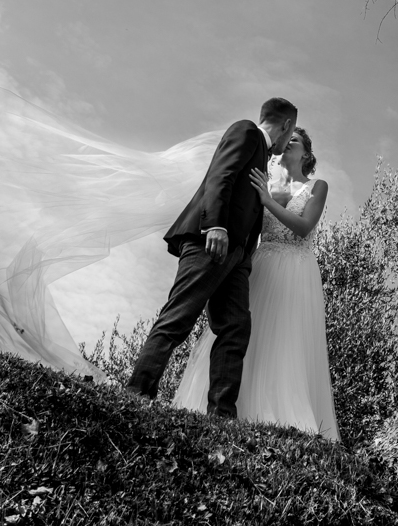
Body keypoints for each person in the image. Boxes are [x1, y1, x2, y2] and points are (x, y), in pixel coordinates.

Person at [124, 98, 297, 418]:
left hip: (237, 258)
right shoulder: (246, 132)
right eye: (291, 135)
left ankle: (222, 414)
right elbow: (221, 175)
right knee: (178, 317)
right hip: (211, 241)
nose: (288, 144)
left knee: (235, 329)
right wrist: (215, 225)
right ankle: (137, 392)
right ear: (286, 125)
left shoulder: (262, 153)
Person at [172, 127, 340, 441]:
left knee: (288, 337)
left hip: (297, 268)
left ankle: (285, 414)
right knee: (248, 331)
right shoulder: (265, 182)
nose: (288, 144)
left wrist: (266, 200)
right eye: (287, 140)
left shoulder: (318, 186)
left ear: (306, 153)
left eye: (296, 142)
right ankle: (232, 407)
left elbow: (304, 227)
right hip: (261, 264)